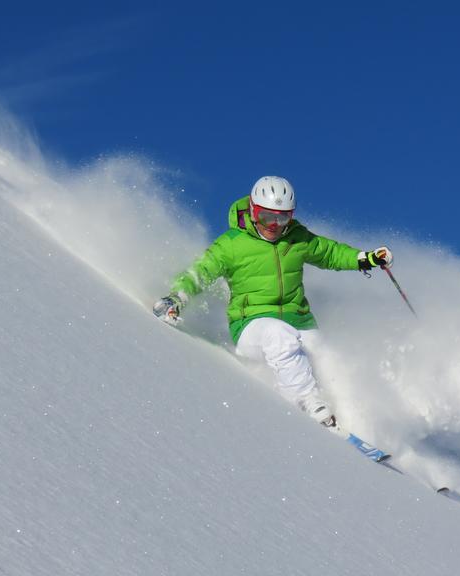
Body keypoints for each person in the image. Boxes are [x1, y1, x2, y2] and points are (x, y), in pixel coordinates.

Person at [153, 176, 392, 429]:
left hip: (299, 321)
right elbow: (200, 273)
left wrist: (365, 259)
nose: (274, 225)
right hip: (252, 326)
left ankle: (352, 423)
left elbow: (330, 253)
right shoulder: (232, 244)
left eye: (283, 217)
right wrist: (177, 298)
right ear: (254, 211)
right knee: (279, 335)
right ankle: (308, 406)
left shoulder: (297, 238)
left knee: (326, 355)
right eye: (268, 216)